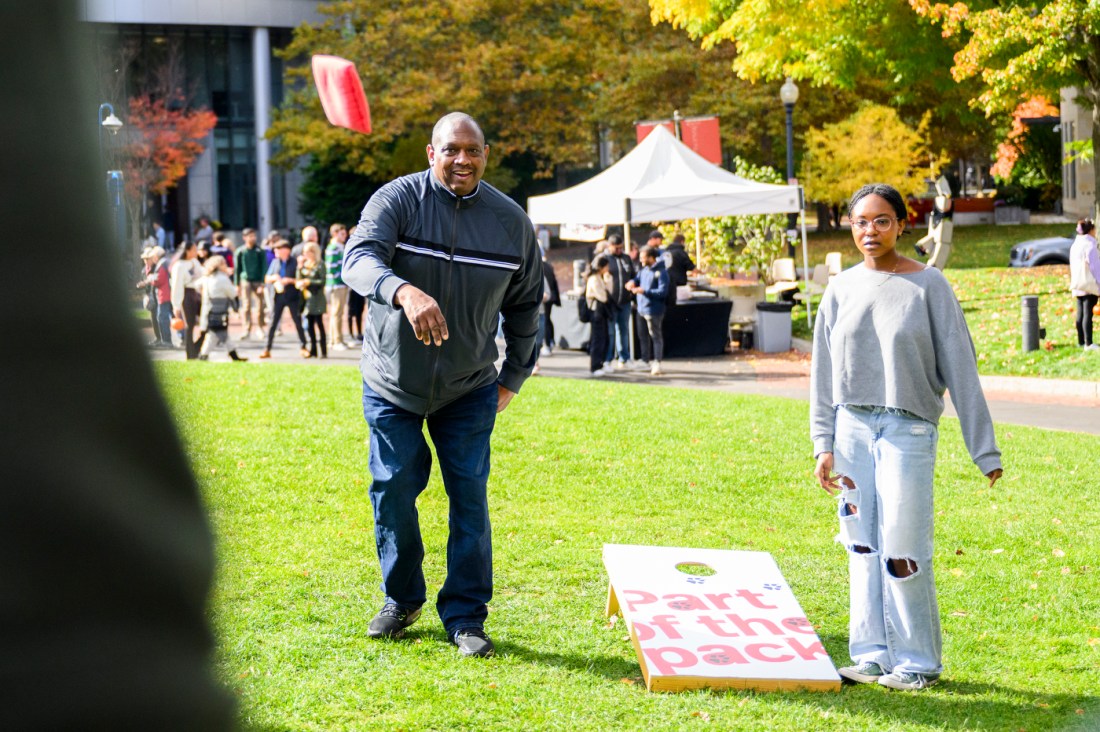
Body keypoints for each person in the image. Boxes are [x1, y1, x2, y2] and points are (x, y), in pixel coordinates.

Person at [341, 112, 542, 658]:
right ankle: (402, 598)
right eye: (451, 149)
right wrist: (402, 290)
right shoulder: (397, 200)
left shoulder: (510, 223)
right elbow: (355, 260)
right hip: (392, 382)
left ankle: (465, 617)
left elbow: (526, 306)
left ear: (484, 155)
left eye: (472, 150)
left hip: (469, 386)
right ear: (432, 153)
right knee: (393, 493)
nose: (462, 160)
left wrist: (515, 375)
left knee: (469, 502)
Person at [811, 183, 1003, 691]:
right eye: (859, 222)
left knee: (902, 545)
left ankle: (917, 662)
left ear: (901, 224)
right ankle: (871, 655)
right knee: (860, 546)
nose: (869, 231)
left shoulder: (929, 286)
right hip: (851, 428)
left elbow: (962, 367)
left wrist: (984, 450)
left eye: (880, 220)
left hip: (908, 429)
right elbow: (822, 375)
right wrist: (822, 443)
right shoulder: (840, 289)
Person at [260, 239, 309, 359]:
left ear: (286, 250)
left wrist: (290, 280)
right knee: (273, 323)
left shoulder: (295, 262)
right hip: (278, 296)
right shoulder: (275, 262)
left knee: (297, 321)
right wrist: (273, 278)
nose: (275, 251)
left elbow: (301, 279)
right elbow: (266, 278)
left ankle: (303, 347)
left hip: (292, 296)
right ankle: (267, 348)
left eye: (278, 249)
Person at [626, 245, 669, 376]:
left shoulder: (662, 272)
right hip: (641, 308)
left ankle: (657, 362)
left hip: (654, 310)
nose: (641, 260)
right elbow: (637, 278)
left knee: (655, 336)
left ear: (651, 257)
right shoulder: (644, 270)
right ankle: (645, 360)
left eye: (644, 258)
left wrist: (644, 291)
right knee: (642, 336)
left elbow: (662, 292)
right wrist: (632, 282)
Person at [197, 255, 246, 362]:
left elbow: (196, 285)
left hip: (209, 310)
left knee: (217, 334)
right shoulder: (222, 279)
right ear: (219, 265)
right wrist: (236, 307)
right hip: (219, 311)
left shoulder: (208, 278)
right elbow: (232, 293)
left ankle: (232, 355)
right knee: (216, 334)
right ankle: (203, 356)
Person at [603, 234, 639, 369]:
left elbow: (634, 276)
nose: (619, 250)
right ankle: (608, 359)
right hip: (610, 303)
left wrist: (632, 282)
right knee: (610, 332)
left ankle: (624, 357)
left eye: (621, 248)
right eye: (616, 248)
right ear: (609, 246)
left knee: (623, 330)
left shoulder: (626, 258)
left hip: (625, 301)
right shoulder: (603, 258)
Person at [1069, 218, 1100, 351]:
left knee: (1080, 313)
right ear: (1091, 230)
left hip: (1078, 283)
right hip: (1089, 284)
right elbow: (1095, 268)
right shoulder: (1090, 246)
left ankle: (1081, 341)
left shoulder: (1075, 244)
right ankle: (1089, 343)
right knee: (1088, 314)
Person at [170, 240, 205, 359]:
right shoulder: (179, 265)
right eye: (194, 249)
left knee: (207, 321)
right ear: (187, 251)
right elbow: (177, 285)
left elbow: (203, 274)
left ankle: (196, 347)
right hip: (187, 294)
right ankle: (190, 354)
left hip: (197, 293)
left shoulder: (195, 262)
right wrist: (176, 305)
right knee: (189, 326)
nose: (196, 252)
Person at [914, 176, 954, 270]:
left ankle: (933, 267)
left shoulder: (942, 207)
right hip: (938, 228)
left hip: (941, 232)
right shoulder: (937, 210)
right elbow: (931, 238)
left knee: (939, 249)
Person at [235, 227, 267, 340]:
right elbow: (237, 269)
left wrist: (263, 283)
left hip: (257, 280)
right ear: (244, 238)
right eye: (250, 236)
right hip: (245, 280)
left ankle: (260, 327)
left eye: (254, 236)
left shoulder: (260, 251)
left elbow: (264, 267)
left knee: (260, 305)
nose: (252, 238)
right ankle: (246, 329)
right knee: (246, 305)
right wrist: (237, 284)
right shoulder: (240, 251)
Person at [297, 241, 328, 358]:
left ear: (313, 252)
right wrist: (299, 268)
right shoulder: (305, 265)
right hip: (307, 299)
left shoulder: (320, 264)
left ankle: (323, 350)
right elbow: (298, 279)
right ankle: (313, 349)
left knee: (319, 324)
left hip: (317, 298)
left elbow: (322, 281)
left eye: (307, 252)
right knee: (309, 326)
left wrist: (309, 282)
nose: (305, 255)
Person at [585, 254, 613, 377]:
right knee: (597, 340)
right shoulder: (594, 279)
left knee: (604, 338)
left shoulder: (600, 277)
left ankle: (601, 363)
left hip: (602, 313)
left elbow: (609, 292)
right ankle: (595, 365)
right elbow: (603, 296)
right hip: (596, 313)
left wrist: (607, 279)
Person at [325, 222, 350, 350]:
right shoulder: (333, 248)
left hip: (341, 284)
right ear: (335, 234)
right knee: (336, 314)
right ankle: (336, 341)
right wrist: (341, 280)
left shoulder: (340, 246)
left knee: (337, 313)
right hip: (336, 285)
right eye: (342, 233)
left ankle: (335, 340)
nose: (345, 236)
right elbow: (331, 268)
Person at [663, 232, 696, 304]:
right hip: (680, 284)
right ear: (682, 241)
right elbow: (690, 266)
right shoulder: (681, 252)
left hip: (668, 283)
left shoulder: (666, 252)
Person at [539, 245, 560, 356]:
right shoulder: (547, 266)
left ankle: (548, 343)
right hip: (548, 298)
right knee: (546, 320)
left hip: (545, 299)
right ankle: (549, 342)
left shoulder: (540, 266)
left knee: (545, 321)